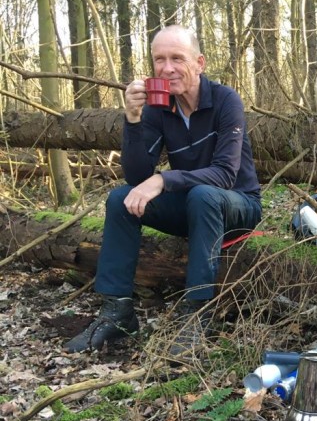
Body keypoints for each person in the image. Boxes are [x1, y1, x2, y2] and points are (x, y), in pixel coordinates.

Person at [64, 25, 262, 356]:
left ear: (199, 63)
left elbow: (226, 174)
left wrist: (164, 180)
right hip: (193, 208)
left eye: (176, 58)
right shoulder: (158, 106)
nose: (167, 68)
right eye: (159, 59)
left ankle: (197, 313)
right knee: (119, 200)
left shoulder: (226, 101)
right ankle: (118, 311)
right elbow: (137, 175)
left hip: (238, 206)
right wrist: (132, 118)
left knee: (204, 195)